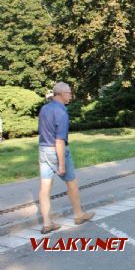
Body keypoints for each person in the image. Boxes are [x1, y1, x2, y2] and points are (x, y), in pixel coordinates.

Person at [38, 82, 94, 234]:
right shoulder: (62, 112)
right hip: (57, 151)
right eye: (69, 92)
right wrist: (61, 164)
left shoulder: (44, 108)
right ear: (61, 94)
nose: (71, 95)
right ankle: (79, 215)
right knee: (72, 184)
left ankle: (47, 223)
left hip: (43, 150)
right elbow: (60, 140)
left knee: (45, 188)